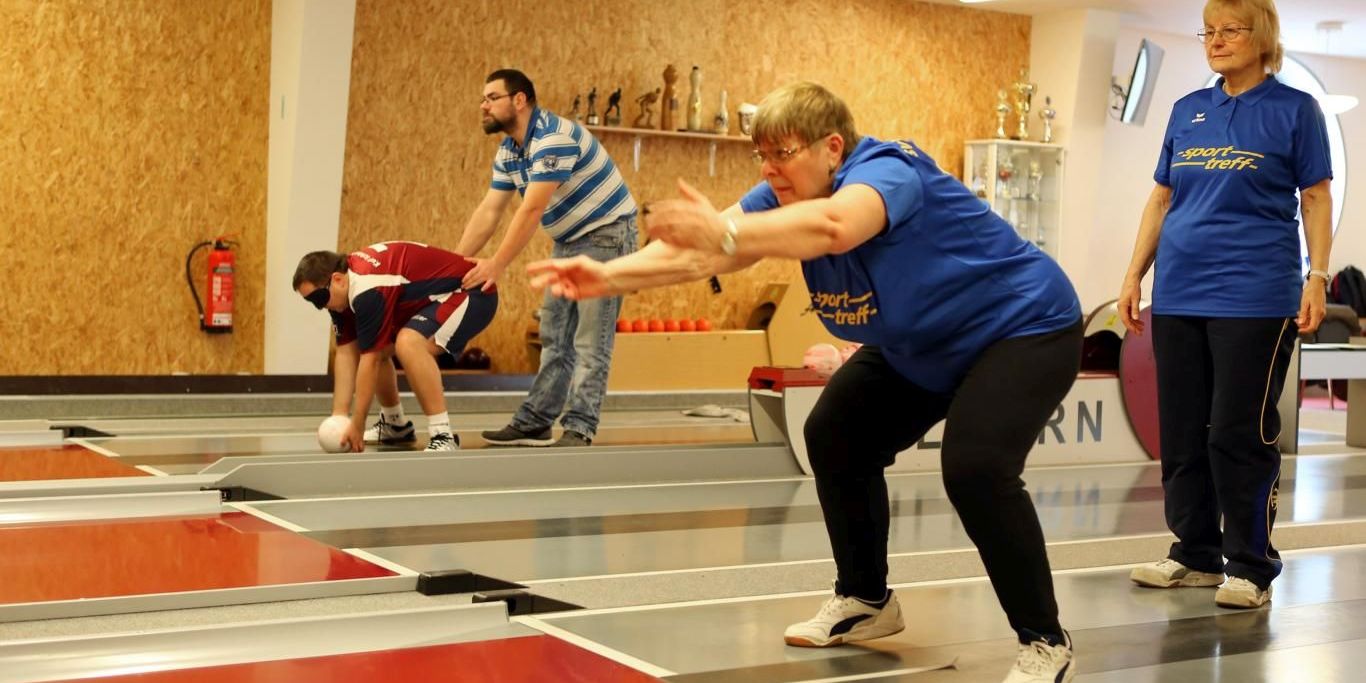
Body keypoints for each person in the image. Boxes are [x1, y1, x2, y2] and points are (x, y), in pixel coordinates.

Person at [529, 82, 1084, 683]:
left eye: (782, 153)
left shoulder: (889, 172)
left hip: (1021, 326)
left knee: (975, 470)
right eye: (761, 155)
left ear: (832, 148)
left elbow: (833, 228)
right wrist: (609, 276)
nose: (768, 169)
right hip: (925, 343)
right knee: (836, 435)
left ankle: (1045, 641)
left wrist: (724, 235)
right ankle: (866, 599)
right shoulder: (780, 194)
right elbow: (704, 252)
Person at [1118, 0, 1333, 610]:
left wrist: (1318, 276)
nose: (1215, 40)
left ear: (1261, 36)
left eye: (1230, 30)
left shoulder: (1295, 109)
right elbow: (1161, 199)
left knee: (1239, 432)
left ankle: (1251, 565)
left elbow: (1316, 197)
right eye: (1208, 31)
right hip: (1179, 293)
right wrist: (1134, 274)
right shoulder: (1188, 109)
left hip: (1255, 297)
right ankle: (1194, 554)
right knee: (1182, 432)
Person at [458, 69, 638, 448]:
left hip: (607, 236)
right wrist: (455, 262)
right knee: (554, 336)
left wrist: (497, 264)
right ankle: (536, 420)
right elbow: (490, 211)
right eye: (483, 99)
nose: (483, 106)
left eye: (492, 98)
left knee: (590, 340)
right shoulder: (510, 150)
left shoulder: (553, 139)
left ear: (519, 100)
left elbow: (531, 209)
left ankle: (580, 427)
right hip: (569, 240)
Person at [293, 242, 498, 453]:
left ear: (337, 279)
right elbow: (346, 352)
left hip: (474, 293)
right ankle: (395, 424)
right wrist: (339, 416)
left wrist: (358, 422)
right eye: (313, 302)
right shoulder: (340, 293)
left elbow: (369, 360)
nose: (320, 306)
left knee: (408, 343)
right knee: (379, 347)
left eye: (319, 299)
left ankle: (442, 434)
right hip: (435, 299)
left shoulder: (367, 289)